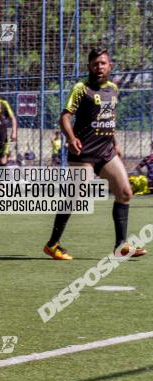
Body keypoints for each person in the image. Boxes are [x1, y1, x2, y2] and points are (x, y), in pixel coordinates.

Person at [43, 48, 146, 261]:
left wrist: (115, 143)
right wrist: (71, 139)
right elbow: (64, 117)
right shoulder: (82, 88)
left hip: (106, 151)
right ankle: (53, 244)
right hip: (84, 152)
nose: (99, 67)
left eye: (103, 63)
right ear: (89, 66)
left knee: (125, 192)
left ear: (110, 66)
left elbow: (109, 118)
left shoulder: (113, 89)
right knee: (75, 197)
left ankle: (121, 246)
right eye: (95, 63)